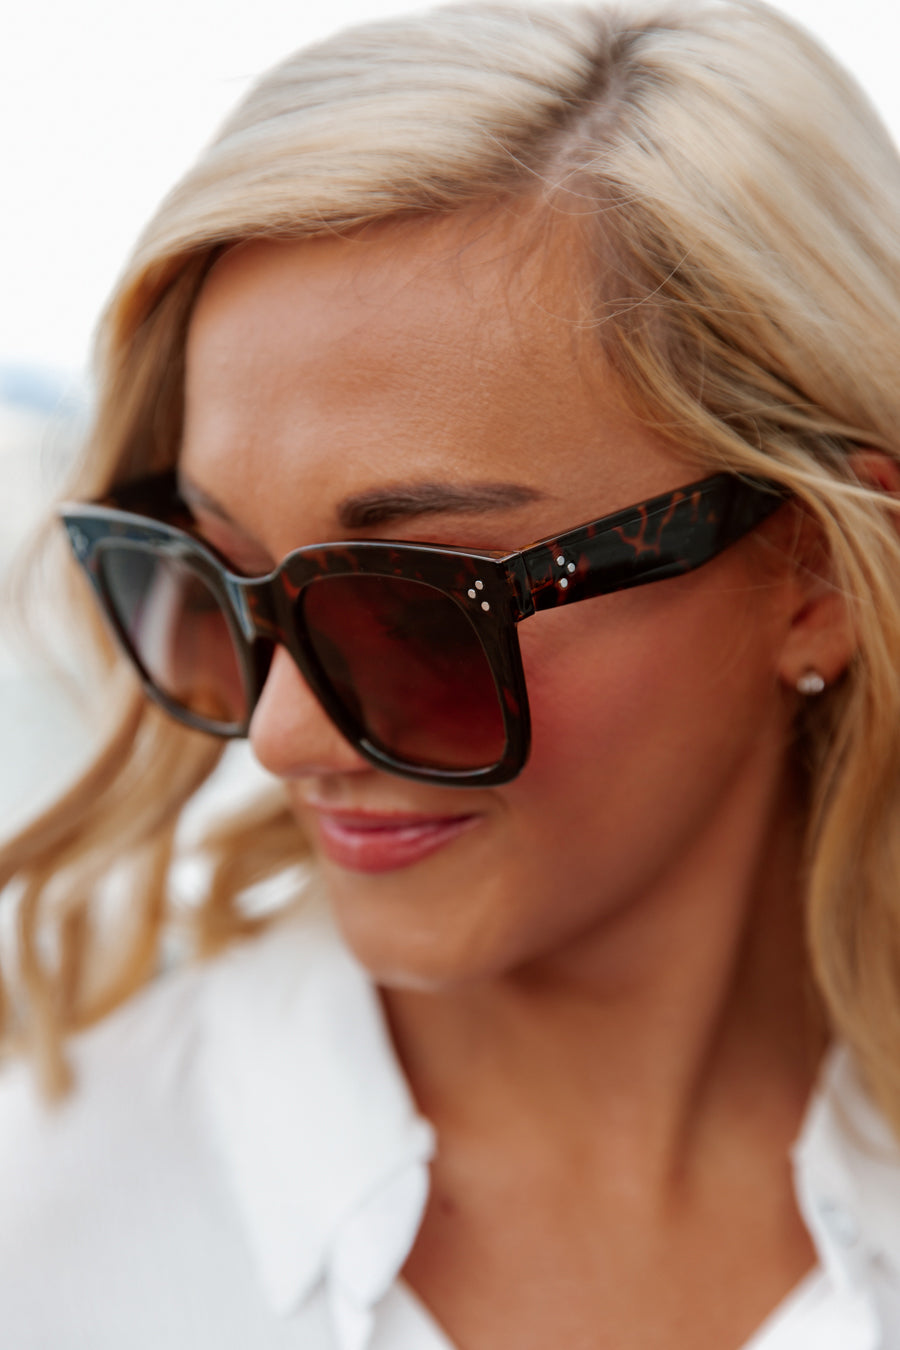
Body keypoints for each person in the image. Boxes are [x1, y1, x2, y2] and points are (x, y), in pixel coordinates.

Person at [2, 0, 900, 1345]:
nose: (281, 736)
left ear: (818, 568)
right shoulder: (55, 1233)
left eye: (418, 603)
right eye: (211, 572)